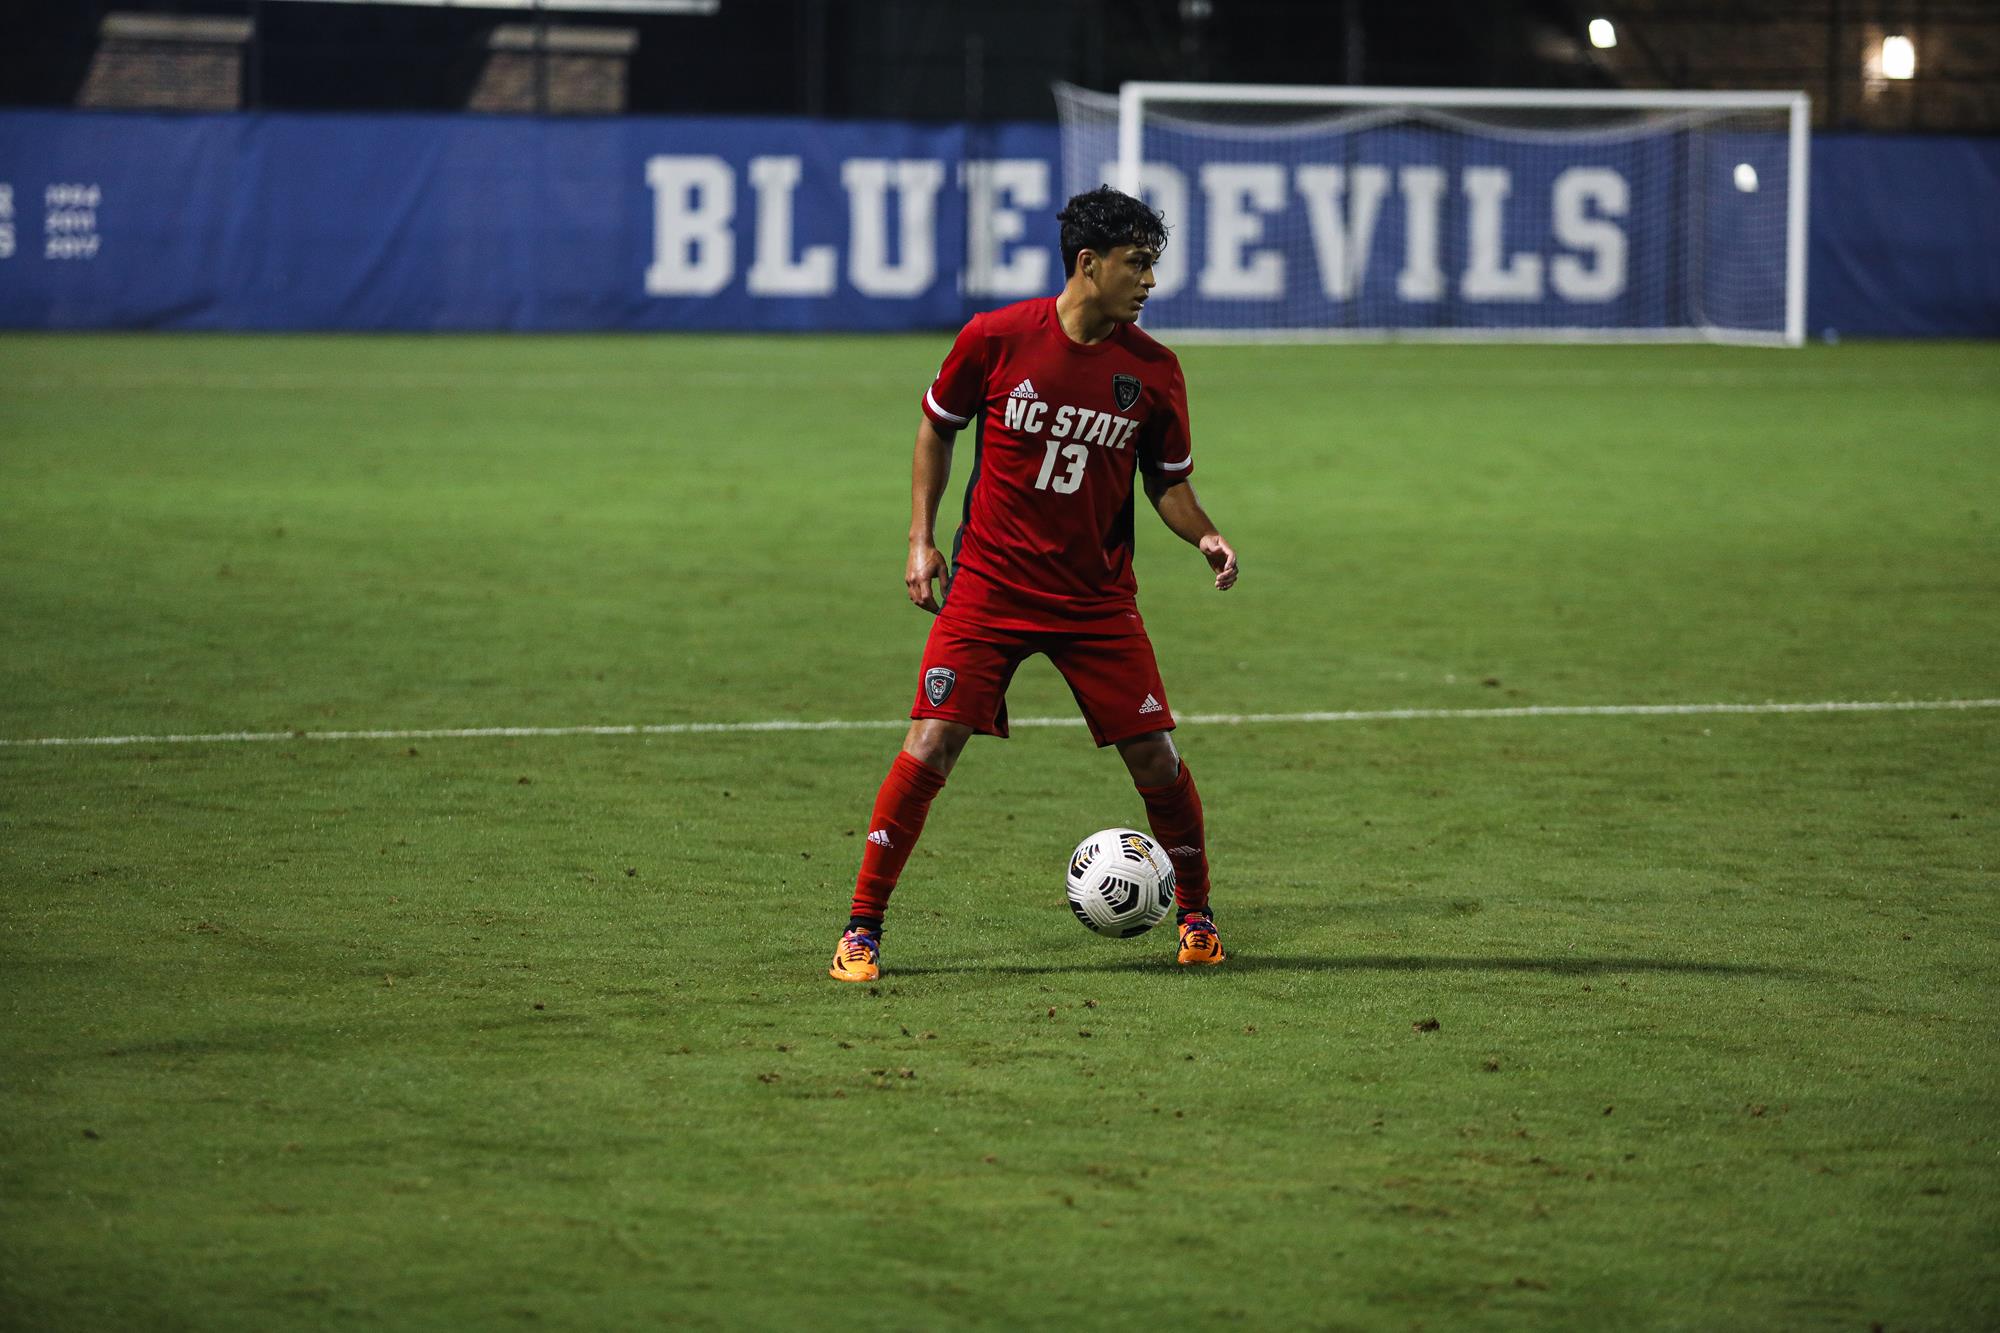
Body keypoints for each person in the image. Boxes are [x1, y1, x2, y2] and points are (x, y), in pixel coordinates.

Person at [829, 185, 1239, 983]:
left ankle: (1195, 914)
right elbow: (936, 428)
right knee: (933, 738)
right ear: (1089, 264)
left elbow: (1168, 484)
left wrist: (1206, 532)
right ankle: (861, 928)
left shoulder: (1154, 371)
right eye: (1137, 265)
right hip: (990, 585)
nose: (1149, 282)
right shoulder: (996, 338)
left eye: (1153, 265)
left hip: (1096, 600)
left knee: (1154, 754)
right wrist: (921, 539)